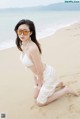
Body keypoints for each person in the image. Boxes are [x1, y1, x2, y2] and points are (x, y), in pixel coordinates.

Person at [14, 19, 78, 106]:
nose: (22, 34)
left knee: (39, 103)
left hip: (46, 75)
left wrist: (39, 85)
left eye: (25, 32)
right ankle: (58, 84)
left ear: (31, 33)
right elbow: (32, 66)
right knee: (35, 96)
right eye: (19, 31)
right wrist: (35, 80)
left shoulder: (33, 48)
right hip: (38, 75)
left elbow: (39, 70)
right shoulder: (24, 44)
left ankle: (66, 90)